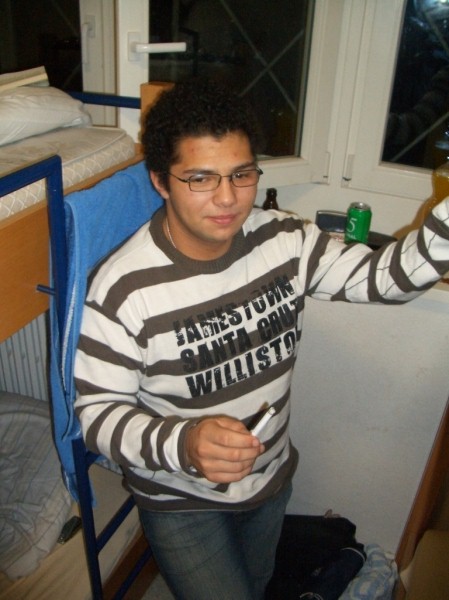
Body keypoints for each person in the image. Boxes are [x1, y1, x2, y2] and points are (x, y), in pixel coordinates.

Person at [74, 79, 449, 600]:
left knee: (257, 587)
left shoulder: (285, 239)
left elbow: (387, 279)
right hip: (182, 501)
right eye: (201, 178)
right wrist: (186, 443)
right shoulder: (122, 288)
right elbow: (96, 415)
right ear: (161, 181)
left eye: (242, 174)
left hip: (271, 479)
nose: (228, 198)